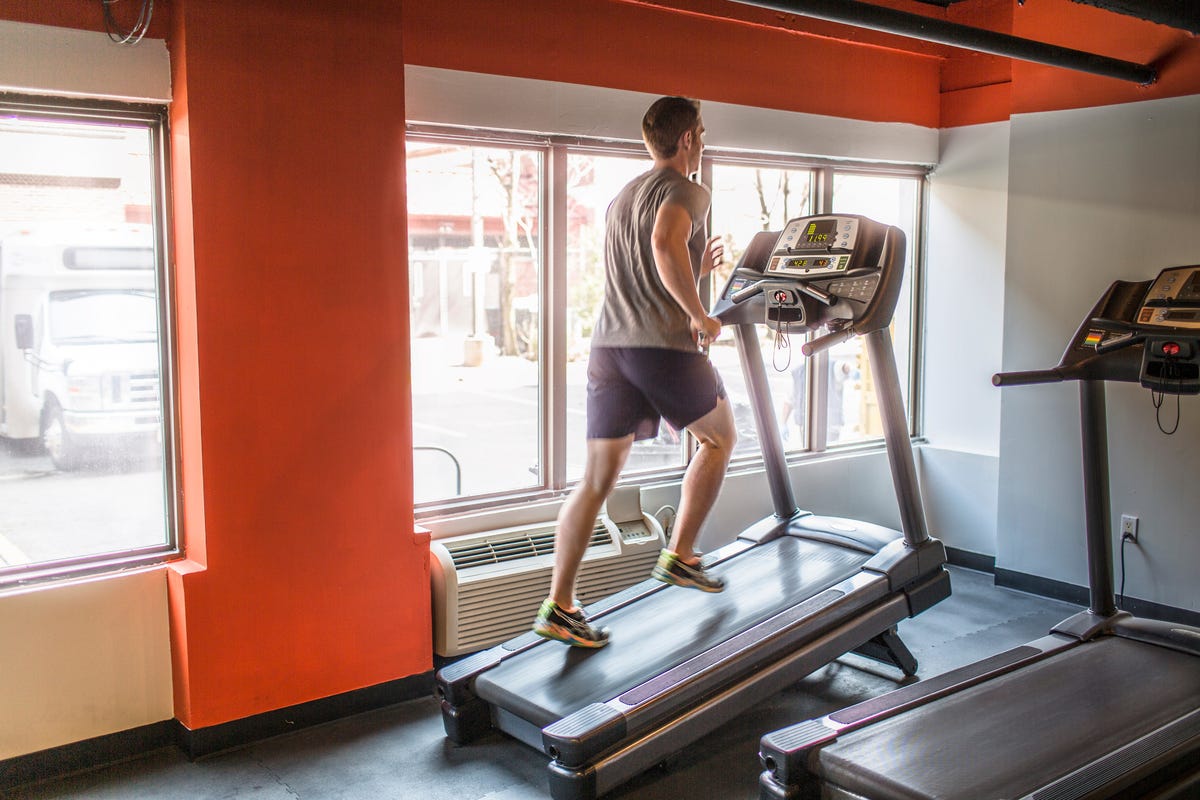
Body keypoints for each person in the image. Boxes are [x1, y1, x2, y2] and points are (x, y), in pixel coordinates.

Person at [533, 96, 737, 648]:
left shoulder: (623, 197)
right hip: (658, 346)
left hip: (609, 347)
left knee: (596, 479)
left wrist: (698, 266)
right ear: (689, 139)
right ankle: (681, 556)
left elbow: (649, 265)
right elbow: (663, 243)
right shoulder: (689, 189)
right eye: (702, 133)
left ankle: (560, 605)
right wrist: (701, 314)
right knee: (720, 438)